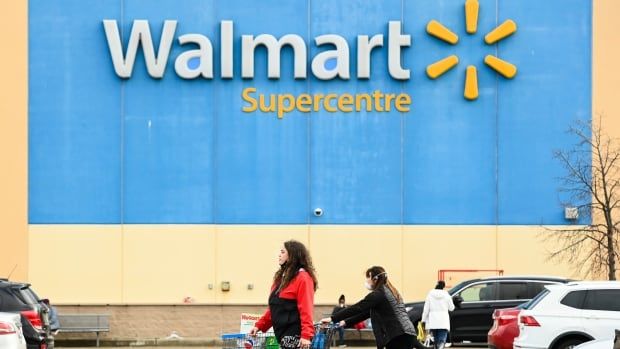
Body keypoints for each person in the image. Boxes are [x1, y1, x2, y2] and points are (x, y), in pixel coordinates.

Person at [321, 266, 420, 349]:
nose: (367, 281)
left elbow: (358, 307)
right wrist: (345, 322)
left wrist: (332, 318)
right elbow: (366, 313)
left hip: (398, 336)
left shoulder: (378, 294)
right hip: (405, 334)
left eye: (368, 277)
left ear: (375, 279)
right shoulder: (391, 292)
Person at [250, 240, 318, 349]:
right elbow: (275, 308)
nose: (279, 255)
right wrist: (259, 325)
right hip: (282, 333)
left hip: (295, 334)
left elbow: (306, 309)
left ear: (292, 256)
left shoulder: (303, 278)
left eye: (282, 252)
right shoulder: (281, 279)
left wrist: (306, 335)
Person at [421, 281, 455, 349]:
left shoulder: (430, 294)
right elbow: (451, 308)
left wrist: (423, 320)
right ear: (443, 287)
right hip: (443, 321)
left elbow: (426, 309)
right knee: (442, 339)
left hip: (433, 321)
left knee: (435, 340)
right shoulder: (446, 295)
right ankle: (441, 346)